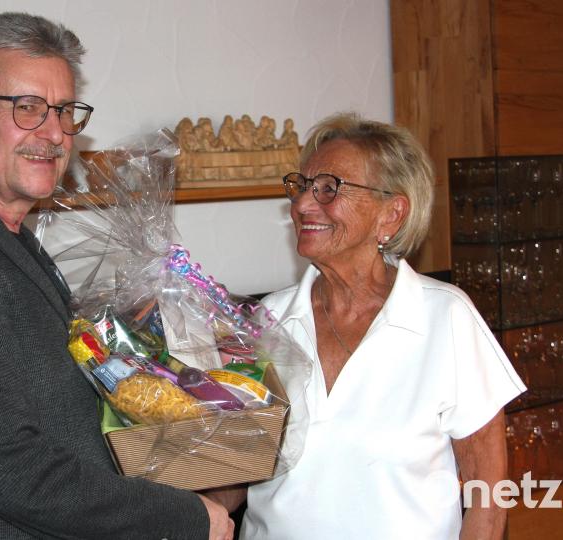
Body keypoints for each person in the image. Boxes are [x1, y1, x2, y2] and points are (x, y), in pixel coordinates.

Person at [0, 12, 233, 539]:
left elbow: (46, 396)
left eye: (63, 110)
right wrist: (188, 516)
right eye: (28, 108)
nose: (55, 133)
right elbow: (20, 473)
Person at [211, 112, 526, 539]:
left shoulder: (445, 318)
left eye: (328, 189)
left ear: (391, 215)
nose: (302, 205)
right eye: (301, 187)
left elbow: (488, 495)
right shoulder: (266, 324)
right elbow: (237, 476)